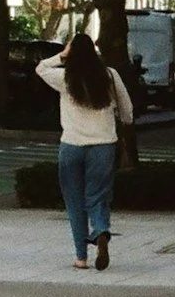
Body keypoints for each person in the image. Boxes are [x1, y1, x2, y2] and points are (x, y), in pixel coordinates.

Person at [36, 34, 134, 271]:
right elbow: (127, 111)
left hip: (71, 146)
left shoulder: (65, 78)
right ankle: (100, 231)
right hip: (103, 146)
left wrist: (62, 55)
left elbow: (40, 68)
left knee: (74, 202)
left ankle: (81, 257)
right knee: (97, 197)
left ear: (72, 53)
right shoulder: (109, 76)